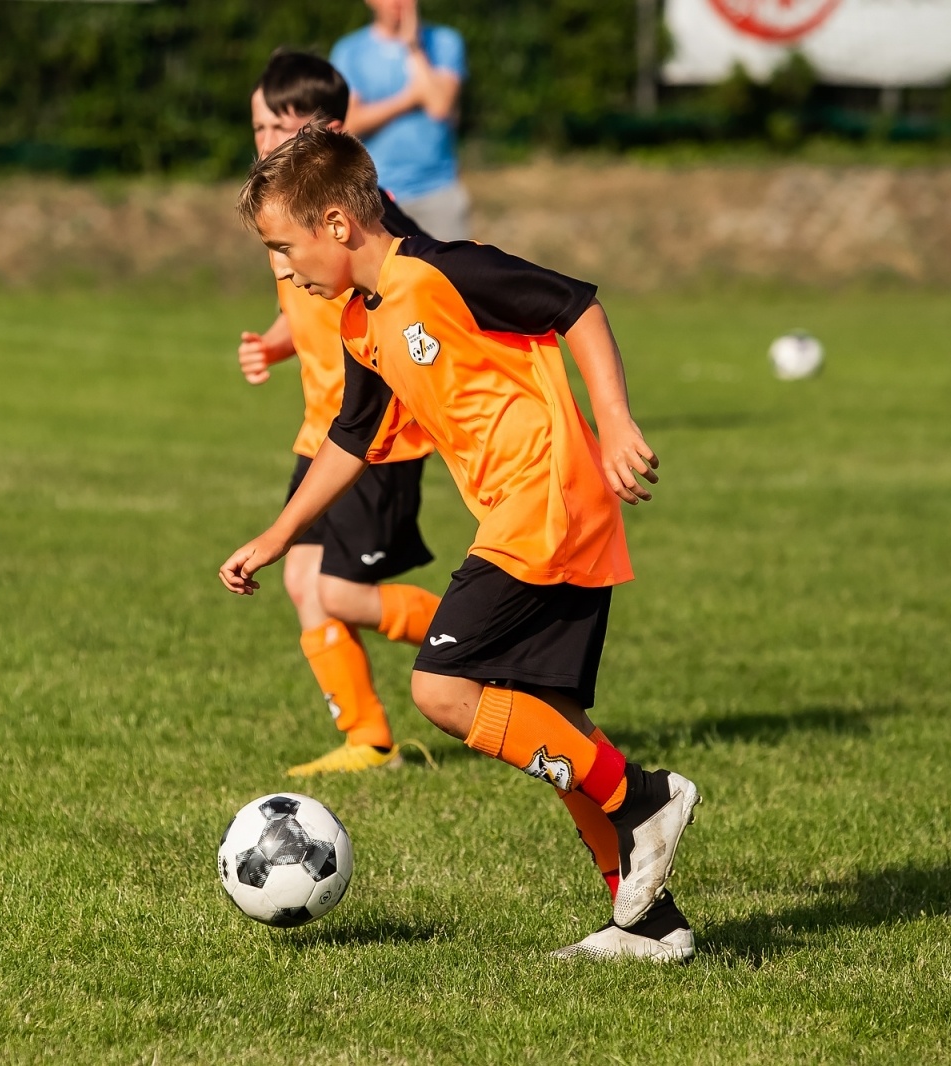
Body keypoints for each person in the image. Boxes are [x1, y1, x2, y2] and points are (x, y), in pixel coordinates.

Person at [220, 122, 701, 961]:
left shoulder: (443, 270)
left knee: (442, 690)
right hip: (528, 510)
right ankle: (650, 924)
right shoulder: (361, 322)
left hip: (547, 495)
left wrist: (616, 422)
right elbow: (351, 436)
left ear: (338, 224)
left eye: (284, 248)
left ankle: (644, 797)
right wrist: (275, 534)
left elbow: (576, 305)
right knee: (554, 723)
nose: (286, 270)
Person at [238, 51, 443, 778]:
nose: (263, 143)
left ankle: (458, 634)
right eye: (257, 126)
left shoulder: (364, 222)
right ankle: (367, 737)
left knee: (330, 589)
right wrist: (274, 343)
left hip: (377, 439)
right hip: (319, 430)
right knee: (301, 583)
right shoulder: (284, 213)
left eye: (279, 128)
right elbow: (310, 307)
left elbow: (412, 299)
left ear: (326, 131)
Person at [331, 0, 470, 240]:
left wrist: (413, 46)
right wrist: (410, 98)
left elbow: (439, 106)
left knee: (451, 277)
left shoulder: (445, 41)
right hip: (375, 194)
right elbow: (350, 123)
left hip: (438, 190)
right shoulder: (348, 52)